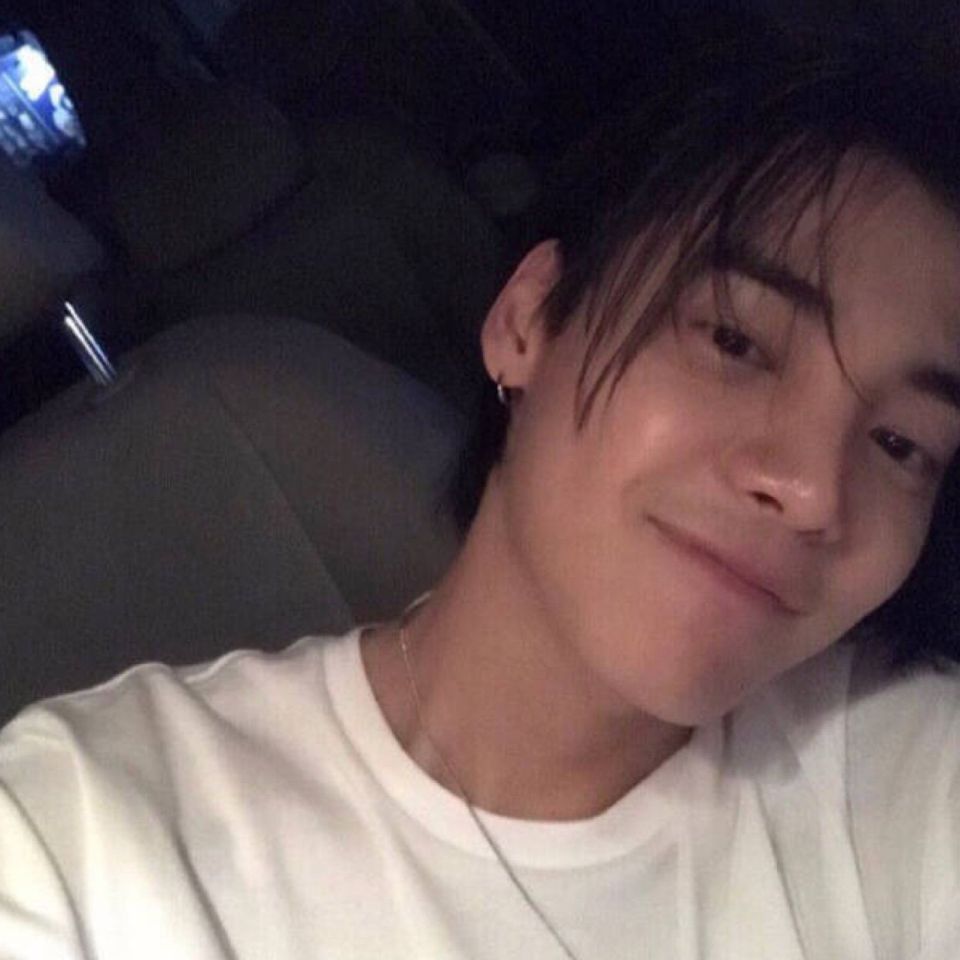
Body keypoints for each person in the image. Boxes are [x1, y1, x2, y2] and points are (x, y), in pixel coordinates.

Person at [3, 31, 960, 960]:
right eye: (734, 342)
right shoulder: (81, 839)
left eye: (901, 443)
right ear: (526, 320)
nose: (812, 491)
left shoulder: (891, 767)